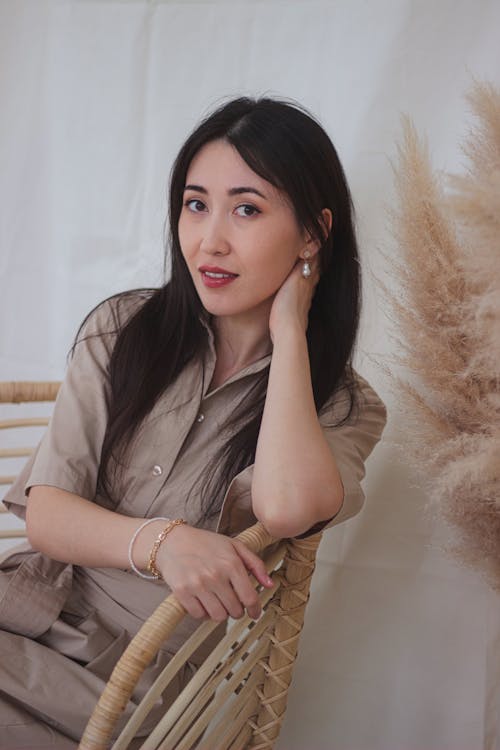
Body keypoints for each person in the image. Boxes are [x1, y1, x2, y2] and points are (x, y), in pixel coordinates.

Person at [0, 96, 387, 747]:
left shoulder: (344, 406)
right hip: (23, 616)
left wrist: (289, 331)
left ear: (313, 234)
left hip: (128, 694)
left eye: (246, 209)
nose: (209, 240)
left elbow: (289, 509)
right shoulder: (124, 328)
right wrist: (165, 541)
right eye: (195, 203)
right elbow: (47, 514)